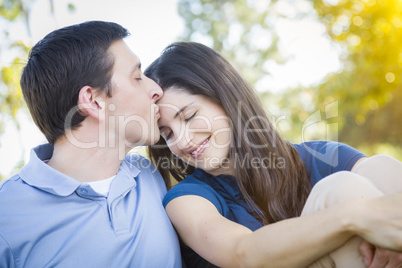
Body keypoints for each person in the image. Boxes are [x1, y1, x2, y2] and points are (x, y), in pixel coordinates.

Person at [144, 41, 402, 268]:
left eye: (189, 116)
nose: (183, 141)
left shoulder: (322, 156)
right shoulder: (186, 199)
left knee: (380, 167)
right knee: (341, 190)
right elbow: (242, 254)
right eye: (167, 134)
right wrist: (355, 215)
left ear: (225, 98)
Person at [0, 21, 182, 267]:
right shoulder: (7, 215)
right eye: (138, 77)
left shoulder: (150, 177)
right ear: (94, 101)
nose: (156, 90)